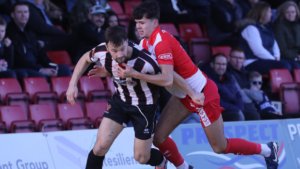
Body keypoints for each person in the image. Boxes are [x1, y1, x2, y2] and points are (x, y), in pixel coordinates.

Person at [119, 1, 279, 169]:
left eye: (142, 22)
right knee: (159, 138)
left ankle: (267, 150)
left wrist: (134, 74)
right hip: (183, 95)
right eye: (136, 23)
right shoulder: (145, 43)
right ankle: (184, 167)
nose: (138, 27)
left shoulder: (161, 42)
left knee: (220, 146)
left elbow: (166, 78)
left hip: (202, 94)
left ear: (155, 22)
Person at [66, 26, 183, 169]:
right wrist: (72, 84)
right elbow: (85, 58)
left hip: (144, 107)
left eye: (122, 48)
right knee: (100, 147)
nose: (119, 54)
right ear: (107, 46)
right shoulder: (101, 51)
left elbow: (167, 79)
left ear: (127, 42)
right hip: (120, 102)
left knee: (141, 157)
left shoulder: (145, 61)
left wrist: (135, 74)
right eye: (114, 51)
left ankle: (160, 161)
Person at [6, 2, 72, 79]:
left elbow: (40, 54)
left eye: (26, 12)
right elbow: (21, 60)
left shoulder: (30, 31)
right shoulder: (9, 33)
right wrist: (40, 69)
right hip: (23, 68)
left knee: (65, 69)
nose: (23, 15)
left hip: (36, 67)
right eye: (19, 12)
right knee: (41, 76)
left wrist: (51, 65)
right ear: (12, 15)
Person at [238, 1, 291, 75]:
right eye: (269, 12)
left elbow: (275, 45)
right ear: (263, 13)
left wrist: (277, 57)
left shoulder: (267, 28)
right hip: (252, 62)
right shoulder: (250, 28)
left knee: (295, 65)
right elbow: (258, 50)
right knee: (284, 65)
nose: (271, 14)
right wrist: (274, 60)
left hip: (268, 60)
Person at [274, 1, 300, 69]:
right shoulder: (279, 26)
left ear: (296, 13)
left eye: (293, 12)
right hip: (287, 57)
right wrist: (296, 56)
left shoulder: (298, 25)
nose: (290, 14)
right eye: (287, 12)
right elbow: (282, 49)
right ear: (283, 13)